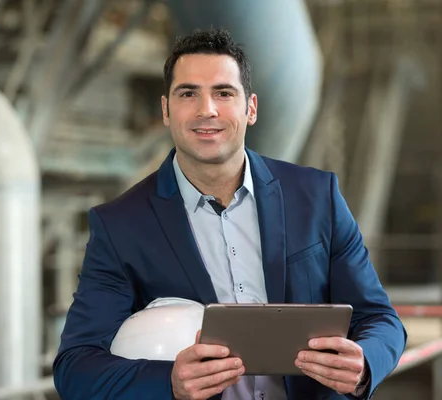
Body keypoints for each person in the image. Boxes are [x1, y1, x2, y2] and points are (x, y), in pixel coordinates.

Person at [52, 28, 406, 400]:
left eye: (223, 92)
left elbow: (380, 319)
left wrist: (364, 363)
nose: (207, 109)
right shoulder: (120, 225)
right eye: (188, 93)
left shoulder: (317, 197)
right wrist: (168, 382)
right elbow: (76, 366)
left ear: (250, 108)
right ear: (166, 111)